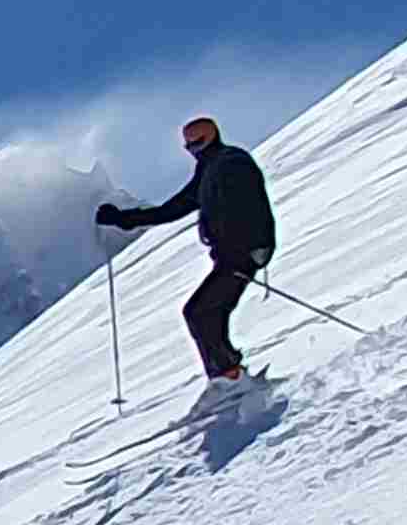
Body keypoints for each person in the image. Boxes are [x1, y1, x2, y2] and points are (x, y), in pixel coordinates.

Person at [95, 116, 277, 381]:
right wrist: (125, 219)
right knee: (208, 312)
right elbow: (175, 208)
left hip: (242, 252)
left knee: (200, 312)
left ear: (212, 136)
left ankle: (228, 375)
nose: (194, 151)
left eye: (198, 143)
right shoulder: (208, 170)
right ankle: (228, 372)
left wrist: (250, 247)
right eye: (189, 146)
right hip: (233, 254)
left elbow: (251, 206)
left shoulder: (232, 163)